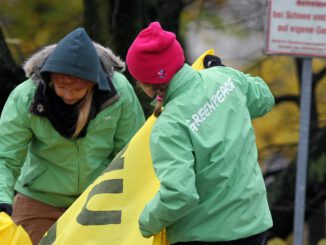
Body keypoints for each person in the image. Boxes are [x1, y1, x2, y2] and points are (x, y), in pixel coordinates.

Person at [126, 21, 274, 245]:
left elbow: (180, 195)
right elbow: (264, 99)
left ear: (147, 84)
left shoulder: (169, 125)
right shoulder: (224, 78)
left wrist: (145, 222)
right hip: (252, 224)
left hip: (207, 234)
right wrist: (224, 72)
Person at [0, 27, 145, 244]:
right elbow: (6, 157)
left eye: (77, 88)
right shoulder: (25, 97)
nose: (68, 94)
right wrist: (2, 202)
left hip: (99, 198)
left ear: (93, 83)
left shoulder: (119, 93)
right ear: (50, 78)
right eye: (61, 86)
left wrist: (135, 201)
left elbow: (132, 154)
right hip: (40, 198)